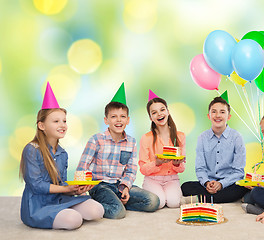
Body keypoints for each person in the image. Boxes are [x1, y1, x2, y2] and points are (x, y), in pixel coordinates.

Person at [20, 82, 104, 230]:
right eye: (56, 121)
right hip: (38, 205)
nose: (63, 125)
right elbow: (37, 185)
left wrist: (76, 190)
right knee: (74, 220)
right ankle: (63, 214)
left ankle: (64, 212)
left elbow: (62, 183)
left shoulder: (62, 153)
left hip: (60, 199)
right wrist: (66, 190)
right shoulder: (31, 150)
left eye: (64, 121)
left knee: (97, 210)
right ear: (41, 125)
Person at [77, 83, 159, 219]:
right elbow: (82, 167)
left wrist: (125, 187)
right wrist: (81, 190)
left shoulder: (131, 142)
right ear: (106, 120)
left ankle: (117, 202)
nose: (118, 120)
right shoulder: (96, 140)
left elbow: (131, 170)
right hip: (99, 186)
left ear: (128, 120)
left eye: (122, 116)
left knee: (153, 201)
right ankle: (92, 204)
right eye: (114, 116)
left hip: (119, 185)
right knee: (118, 213)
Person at [181, 92, 248, 203]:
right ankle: (212, 196)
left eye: (222, 112)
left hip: (228, 183)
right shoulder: (202, 138)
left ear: (229, 116)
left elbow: (238, 172)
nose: (218, 115)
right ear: (209, 116)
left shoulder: (237, 137)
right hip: (209, 182)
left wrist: (221, 184)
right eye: (214, 112)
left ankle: (200, 199)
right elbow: (200, 168)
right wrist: (207, 183)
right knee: (185, 186)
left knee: (241, 188)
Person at [139, 91, 185, 209]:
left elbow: (182, 168)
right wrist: (156, 163)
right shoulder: (146, 138)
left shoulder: (180, 136)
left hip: (172, 179)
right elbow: (143, 169)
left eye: (162, 110)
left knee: (174, 203)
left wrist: (177, 163)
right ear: (151, 118)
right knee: (158, 203)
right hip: (152, 179)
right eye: (154, 112)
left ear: (168, 112)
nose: (159, 114)